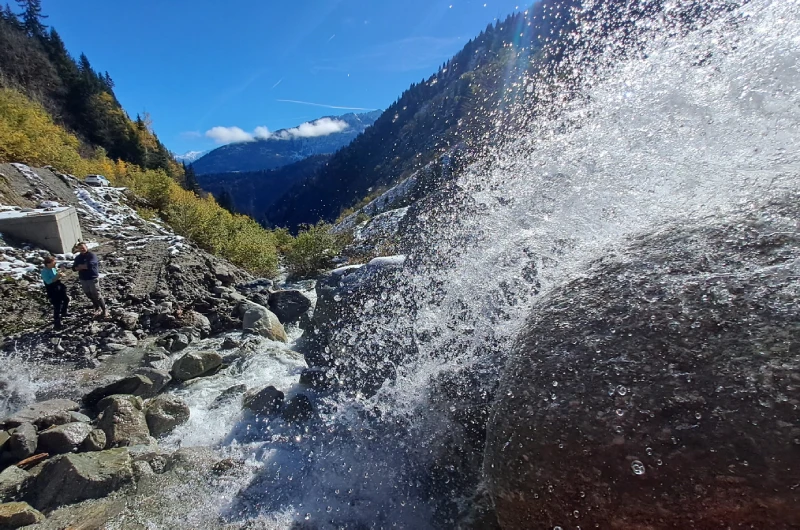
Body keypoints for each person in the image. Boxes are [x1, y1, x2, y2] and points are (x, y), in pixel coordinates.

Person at [72, 242, 108, 318]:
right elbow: (73, 268)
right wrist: (81, 267)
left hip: (92, 278)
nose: (82, 249)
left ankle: (104, 310)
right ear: (78, 249)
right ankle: (97, 307)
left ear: (86, 247)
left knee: (96, 294)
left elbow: (90, 265)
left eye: (83, 247)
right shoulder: (78, 257)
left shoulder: (91, 255)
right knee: (88, 294)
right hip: (83, 278)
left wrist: (80, 267)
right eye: (80, 248)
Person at [41, 256, 69, 330]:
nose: (55, 263)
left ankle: (64, 312)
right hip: (52, 289)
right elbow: (49, 281)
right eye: (53, 262)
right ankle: (57, 324)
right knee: (57, 306)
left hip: (58, 287)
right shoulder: (44, 271)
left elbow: (56, 274)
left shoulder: (53, 268)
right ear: (48, 264)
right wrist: (58, 276)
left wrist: (60, 273)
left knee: (66, 299)